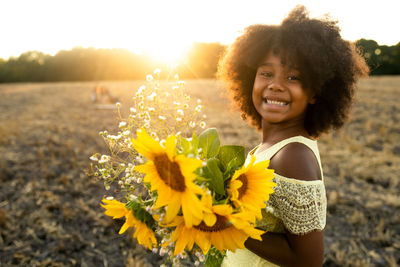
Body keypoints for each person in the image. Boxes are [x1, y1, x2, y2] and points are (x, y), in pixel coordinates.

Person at [218, 5, 369, 267]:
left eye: (293, 76)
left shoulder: (293, 156)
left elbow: (308, 260)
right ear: (248, 79)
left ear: (315, 92)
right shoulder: (270, 147)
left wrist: (227, 223)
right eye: (266, 73)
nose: (276, 84)